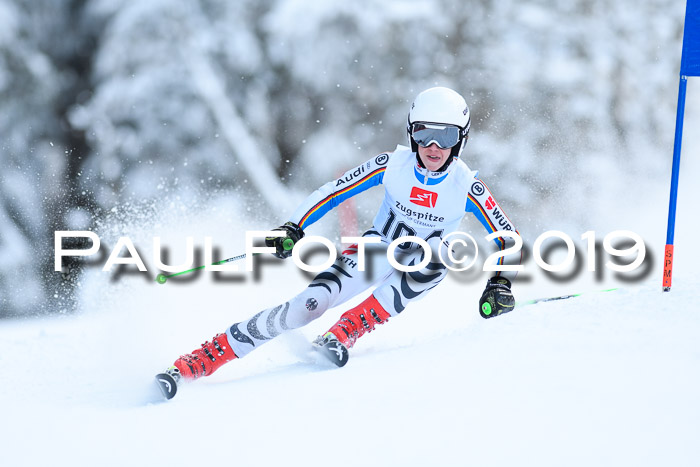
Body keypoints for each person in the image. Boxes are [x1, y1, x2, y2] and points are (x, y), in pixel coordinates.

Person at [166, 87, 521, 381]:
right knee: (308, 306)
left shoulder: (466, 186)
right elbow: (334, 191)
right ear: (411, 133)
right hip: (376, 249)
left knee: (443, 253)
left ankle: (345, 331)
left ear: (461, 140)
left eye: (445, 136)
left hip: (422, 262)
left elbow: (507, 236)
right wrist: (295, 226)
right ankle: (204, 358)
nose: (433, 146)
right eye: (423, 133)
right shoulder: (392, 165)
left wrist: (500, 283)